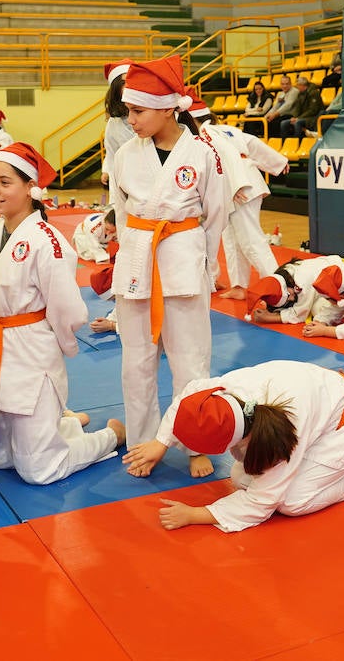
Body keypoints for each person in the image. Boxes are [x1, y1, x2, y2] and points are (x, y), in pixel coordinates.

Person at [0, 143, 126, 483]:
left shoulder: (47, 240)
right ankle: (64, 422)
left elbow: (67, 308)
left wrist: (60, 345)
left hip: (28, 352)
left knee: (39, 471)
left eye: (5, 182)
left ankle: (110, 435)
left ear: (30, 189)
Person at [109, 55, 229, 471]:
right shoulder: (125, 154)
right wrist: (128, 257)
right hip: (138, 260)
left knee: (190, 359)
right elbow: (120, 212)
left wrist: (203, 262)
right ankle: (143, 441)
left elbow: (216, 214)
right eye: (128, 110)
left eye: (138, 110)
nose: (131, 119)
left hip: (182, 260)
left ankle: (195, 442)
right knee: (136, 360)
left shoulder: (202, 153)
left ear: (166, 108)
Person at [122, 360, 344, 531]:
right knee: (240, 477)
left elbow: (263, 502)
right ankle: (333, 467)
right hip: (321, 405)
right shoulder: (224, 392)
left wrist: (197, 514)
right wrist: (161, 442)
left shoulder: (288, 427)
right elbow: (188, 399)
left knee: (292, 502)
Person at [186, 94, 287, 299]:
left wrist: (236, 185)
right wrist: (278, 162)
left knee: (250, 240)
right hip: (239, 183)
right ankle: (240, 285)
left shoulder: (205, 132)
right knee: (231, 238)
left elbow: (225, 155)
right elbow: (252, 143)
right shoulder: (225, 129)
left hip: (239, 186)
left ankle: (279, 287)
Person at [246, 253, 344, 329]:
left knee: (317, 310)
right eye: (288, 300)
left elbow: (299, 315)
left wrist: (269, 318)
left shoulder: (302, 282)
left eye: (288, 295)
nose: (292, 298)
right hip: (327, 277)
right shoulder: (284, 273)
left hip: (340, 278)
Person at [101, 58, 134, 186]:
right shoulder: (114, 124)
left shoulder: (153, 114)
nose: (131, 86)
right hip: (125, 181)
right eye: (125, 82)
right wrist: (106, 171)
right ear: (116, 89)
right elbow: (112, 154)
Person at [278, 74, 323, 139]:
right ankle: (284, 142)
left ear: (303, 85)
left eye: (298, 85)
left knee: (298, 122)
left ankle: (298, 141)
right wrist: (294, 117)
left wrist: (298, 118)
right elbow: (297, 108)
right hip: (303, 117)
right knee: (284, 123)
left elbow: (313, 110)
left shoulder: (314, 93)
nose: (296, 87)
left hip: (313, 117)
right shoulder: (300, 93)